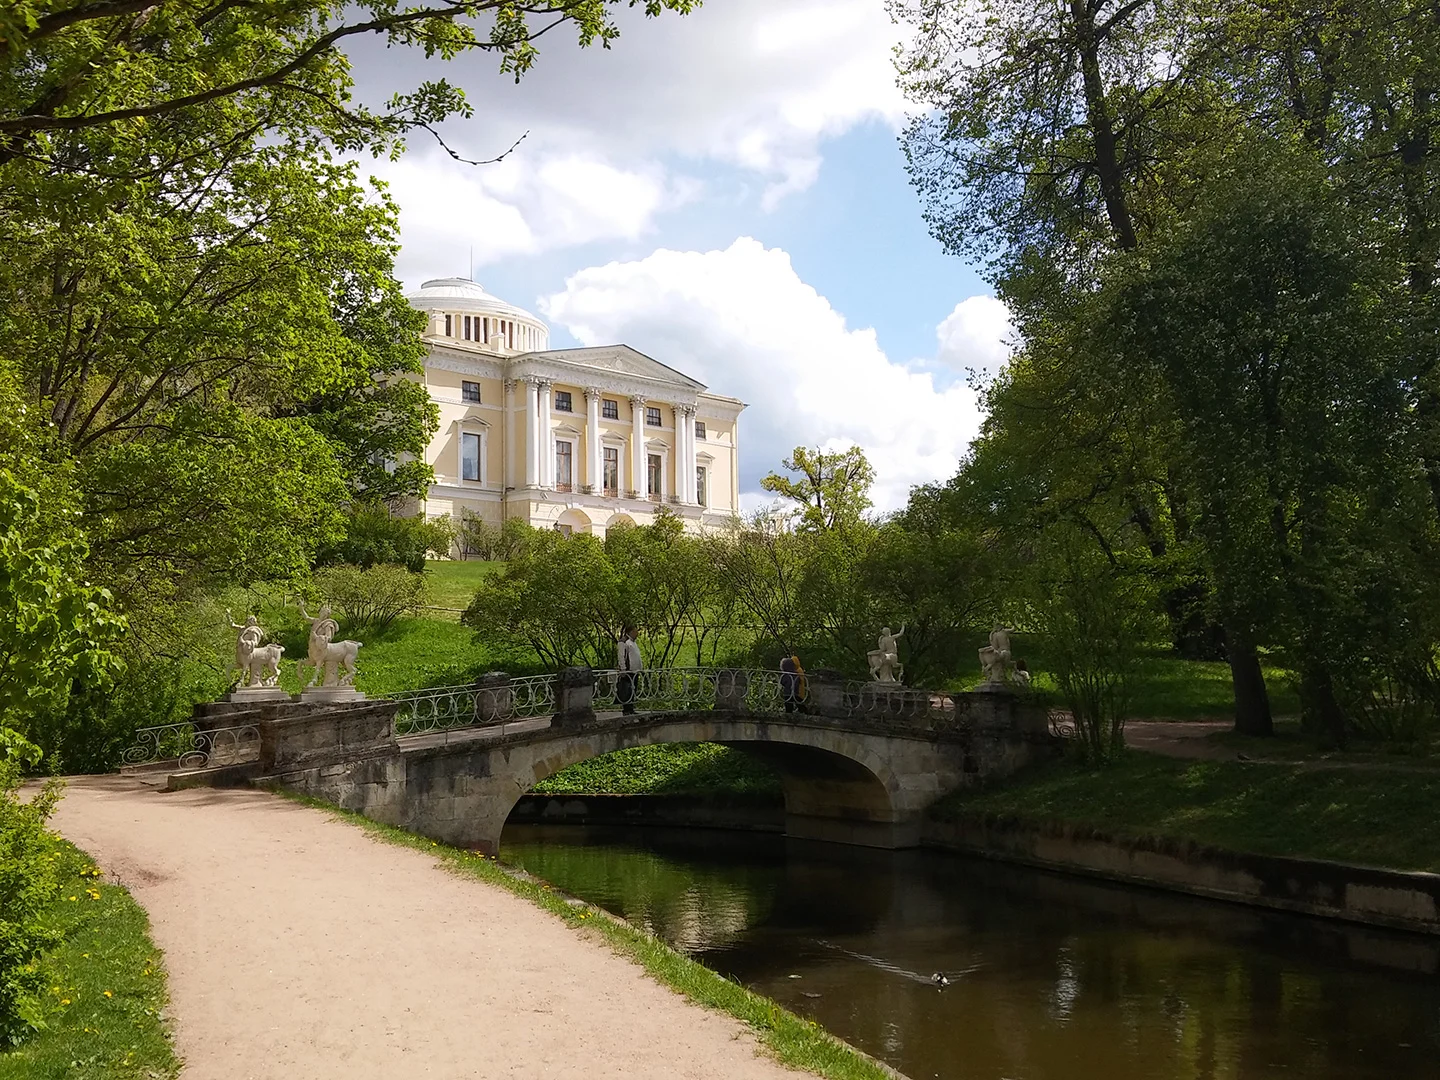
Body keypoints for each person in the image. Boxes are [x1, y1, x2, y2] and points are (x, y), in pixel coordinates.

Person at [616, 626, 643, 715]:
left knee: (633, 690)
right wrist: (623, 669)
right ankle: (626, 709)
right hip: (628, 671)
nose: (637, 634)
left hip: (635, 671)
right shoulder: (624, 642)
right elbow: (621, 656)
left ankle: (631, 708)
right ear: (630, 632)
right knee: (627, 690)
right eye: (635, 632)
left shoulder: (633, 642)